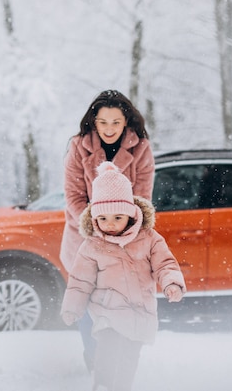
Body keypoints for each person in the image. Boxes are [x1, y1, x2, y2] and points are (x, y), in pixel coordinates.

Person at [60, 162, 186, 391]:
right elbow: (80, 282)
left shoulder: (149, 238)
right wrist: (72, 308)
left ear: (131, 214)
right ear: (94, 218)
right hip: (107, 313)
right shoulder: (92, 246)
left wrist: (172, 283)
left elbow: (165, 264)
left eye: (118, 218)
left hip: (139, 312)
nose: (110, 225)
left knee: (129, 357)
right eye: (103, 219)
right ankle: (102, 386)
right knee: (107, 352)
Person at [60, 89, 155, 371]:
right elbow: (73, 196)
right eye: (103, 122)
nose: (110, 129)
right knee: (87, 303)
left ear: (126, 122)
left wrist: (121, 230)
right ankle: (95, 360)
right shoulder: (78, 147)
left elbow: (142, 199)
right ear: (93, 122)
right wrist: (98, 228)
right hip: (84, 240)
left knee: (121, 305)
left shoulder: (141, 149)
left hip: (127, 242)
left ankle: (119, 363)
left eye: (116, 122)